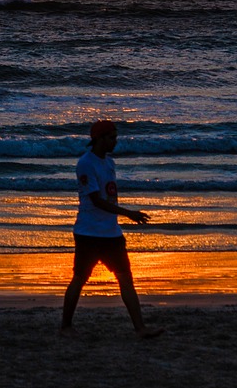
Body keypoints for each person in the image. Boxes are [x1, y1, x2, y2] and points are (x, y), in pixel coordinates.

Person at [60, 119, 163, 339]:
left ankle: (140, 328)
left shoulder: (109, 163)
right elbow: (96, 200)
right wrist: (129, 214)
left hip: (111, 232)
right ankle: (66, 325)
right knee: (79, 278)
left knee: (126, 278)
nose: (115, 142)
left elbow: (110, 196)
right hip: (89, 232)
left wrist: (121, 216)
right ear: (99, 139)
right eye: (112, 138)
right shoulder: (86, 164)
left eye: (115, 137)